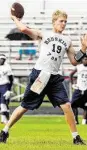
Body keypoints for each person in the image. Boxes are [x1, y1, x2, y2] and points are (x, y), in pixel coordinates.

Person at [0, 10, 87, 145]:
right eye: (61, 21)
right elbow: (23, 28)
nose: (63, 24)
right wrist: (14, 18)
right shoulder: (44, 34)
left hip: (55, 78)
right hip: (40, 75)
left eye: (65, 21)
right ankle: (4, 131)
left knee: (67, 106)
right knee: (25, 106)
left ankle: (76, 138)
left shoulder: (67, 40)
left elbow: (74, 61)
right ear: (54, 22)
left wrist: (83, 48)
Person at [70, 56, 87, 125]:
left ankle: (84, 121)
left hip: (86, 89)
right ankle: (76, 120)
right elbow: (71, 74)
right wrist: (72, 84)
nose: (86, 60)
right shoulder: (79, 67)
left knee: (86, 106)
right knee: (73, 105)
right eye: (85, 59)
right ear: (82, 60)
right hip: (79, 88)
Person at [0, 54, 13, 124]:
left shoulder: (7, 67)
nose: (2, 60)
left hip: (4, 85)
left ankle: (6, 120)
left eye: (3, 59)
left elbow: (11, 79)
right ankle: (4, 119)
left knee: (3, 103)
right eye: (1, 59)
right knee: (1, 104)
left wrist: (9, 89)